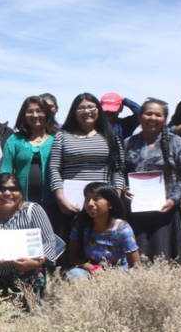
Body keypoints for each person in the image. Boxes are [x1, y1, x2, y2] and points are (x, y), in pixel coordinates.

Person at [48, 93, 126, 247]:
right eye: (81, 107)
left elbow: (118, 169)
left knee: (102, 245)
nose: (87, 111)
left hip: (103, 200)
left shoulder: (112, 136)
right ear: (74, 111)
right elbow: (54, 167)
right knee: (72, 242)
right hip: (71, 201)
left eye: (91, 107)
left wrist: (114, 197)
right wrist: (61, 197)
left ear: (99, 110)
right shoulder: (62, 136)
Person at [124, 98, 181, 262]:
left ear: (165, 119)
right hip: (136, 210)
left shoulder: (175, 142)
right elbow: (120, 172)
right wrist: (124, 189)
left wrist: (174, 199)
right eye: (148, 113)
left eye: (158, 115)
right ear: (140, 117)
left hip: (165, 209)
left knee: (165, 256)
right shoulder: (129, 142)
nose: (153, 118)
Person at [0, 173, 58, 298]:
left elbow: (49, 242)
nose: (7, 193)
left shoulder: (34, 211)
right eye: (0, 189)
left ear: (21, 193)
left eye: (13, 189)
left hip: (27, 271)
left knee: (27, 305)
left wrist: (36, 263)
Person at [66, 182, 141, 278]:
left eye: (96, 199)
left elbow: (136, 267)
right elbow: (73, 258)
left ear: (110, 204)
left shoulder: (123, 230)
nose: (90, 204)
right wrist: (91, 268)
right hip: (90, 273)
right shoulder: (81, 226)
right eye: (87, 199)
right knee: (74, 275)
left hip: (118, 278)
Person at [0, 95, 57, 213]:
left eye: (39, 111)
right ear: (23, 115)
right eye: (30, 111)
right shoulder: (14, 140)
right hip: (21, 204)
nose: (35, 115)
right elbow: (5, 170)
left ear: (47, 114)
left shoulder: (56, 139)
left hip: (52, 204)